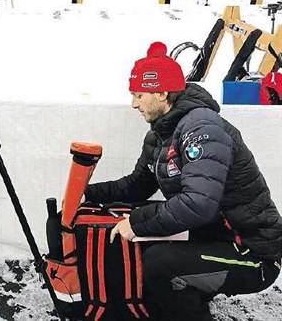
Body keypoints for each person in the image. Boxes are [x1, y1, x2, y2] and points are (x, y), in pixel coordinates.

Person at [84, 42, 282, 320]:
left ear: (163, 93)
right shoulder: (160, 134)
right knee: (146, 248)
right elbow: (137, 185)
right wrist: (86, 192)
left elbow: (199, 204)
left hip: (252, 253)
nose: (134, 103)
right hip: (212, 238)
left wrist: (137, 222)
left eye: (140, 94)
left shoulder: (202, 128)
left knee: (158, 264)